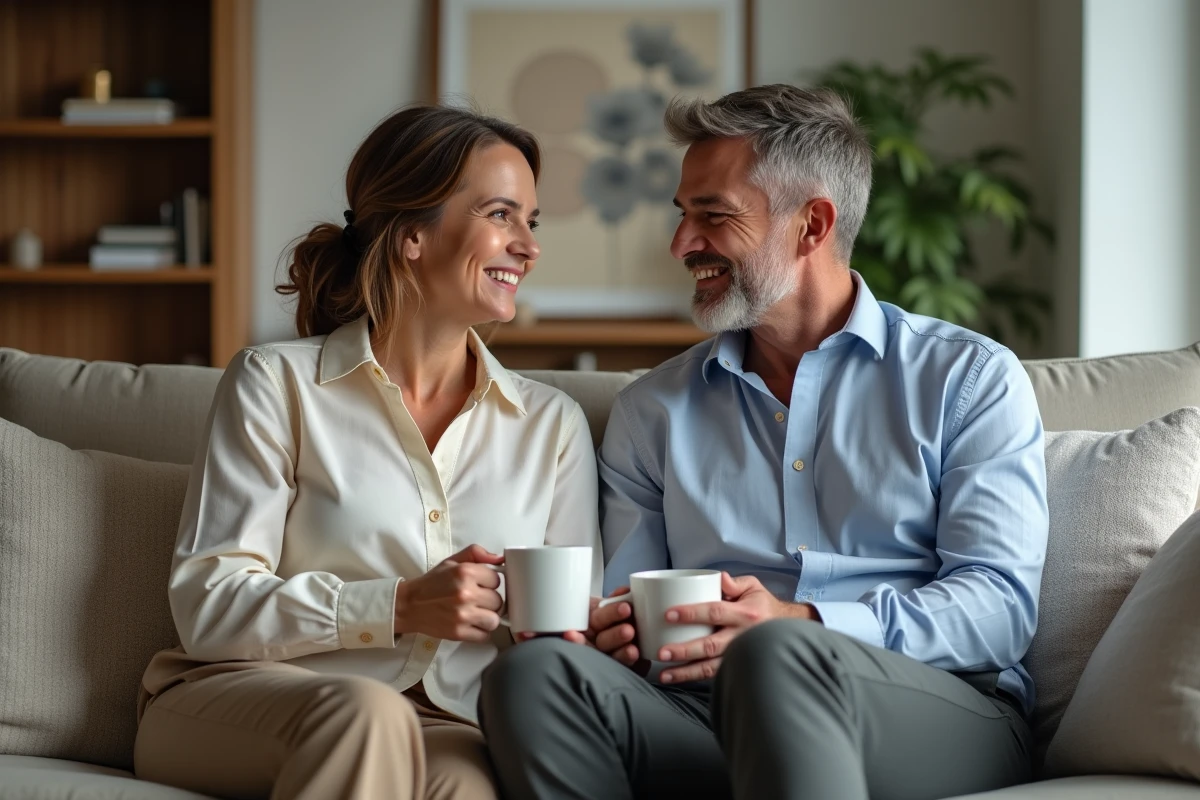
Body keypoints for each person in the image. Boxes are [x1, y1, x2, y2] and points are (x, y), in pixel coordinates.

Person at [479, 85, 1048, 800]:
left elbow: (998, 608)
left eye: (713, 216)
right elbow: (629, 603)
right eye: (683, 216)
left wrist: (802, 622)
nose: (683, 244)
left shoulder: (967, 379)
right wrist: (615, 633)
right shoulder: (652, 410)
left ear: (812, 225)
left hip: (936, 709)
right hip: (703, 711)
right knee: (533, 675)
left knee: (778, 654)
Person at [132, 105, 602, 800]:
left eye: (531, 223)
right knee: (367, 714)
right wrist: (400, 605)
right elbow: (210, 604)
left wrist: (571, 633)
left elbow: (570, 626)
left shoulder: (551, 425)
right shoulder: (275, 383)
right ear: (413, 233)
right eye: (502, 215)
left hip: (446, 721)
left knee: (468, 788)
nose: (527, 247)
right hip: (247, 697)